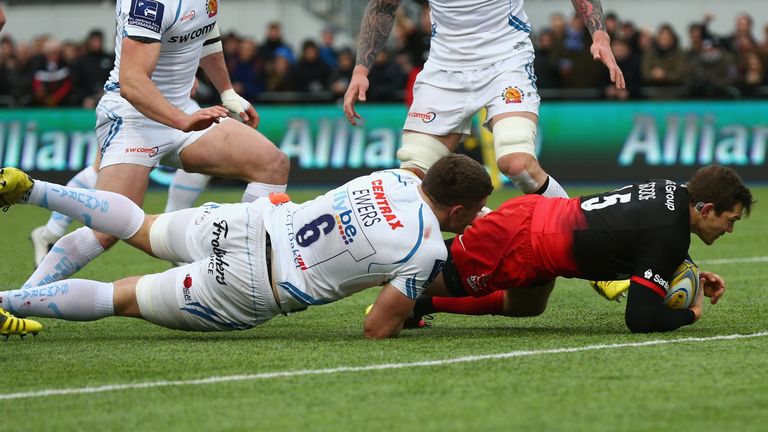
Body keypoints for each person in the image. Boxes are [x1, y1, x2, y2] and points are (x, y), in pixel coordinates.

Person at [0, 154, 493, 338]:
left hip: (247, 223)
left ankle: (34, 189)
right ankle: (4, 304)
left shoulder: (395, 176)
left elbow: (414, 179)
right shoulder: (427, 251)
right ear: (456, 214)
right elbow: (376, 327)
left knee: (138, 223)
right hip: (255, 286)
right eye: (475, 210)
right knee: (121, 296)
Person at [22, 0, 289, 290]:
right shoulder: (149, 2)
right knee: (106, 231)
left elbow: (207, 32)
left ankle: (241, 270)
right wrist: (181, 121)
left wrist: (227, 92)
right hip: (134, 119)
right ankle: (18, 299)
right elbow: (133, 82)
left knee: (272, 164)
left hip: (183, 111)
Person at [403, 165, 754, 333]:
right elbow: (641, 319)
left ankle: (419, 304)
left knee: (527, 306)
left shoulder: (669, 190)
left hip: (536, 225)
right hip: (519, 241)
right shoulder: (670, 234)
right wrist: (692, 311)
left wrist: (688, 269)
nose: (729, 229)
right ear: (706, 209)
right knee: (412, 265)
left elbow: (649, 233)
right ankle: (373, 268)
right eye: (730, 219)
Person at [344, 0, 625, 199]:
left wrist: (599, 34)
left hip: (506, 60)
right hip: (444, 67)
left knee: (518, 164)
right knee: (412, 181)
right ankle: (479, 242)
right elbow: (383, 6)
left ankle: (584, 240)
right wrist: (360, 70)